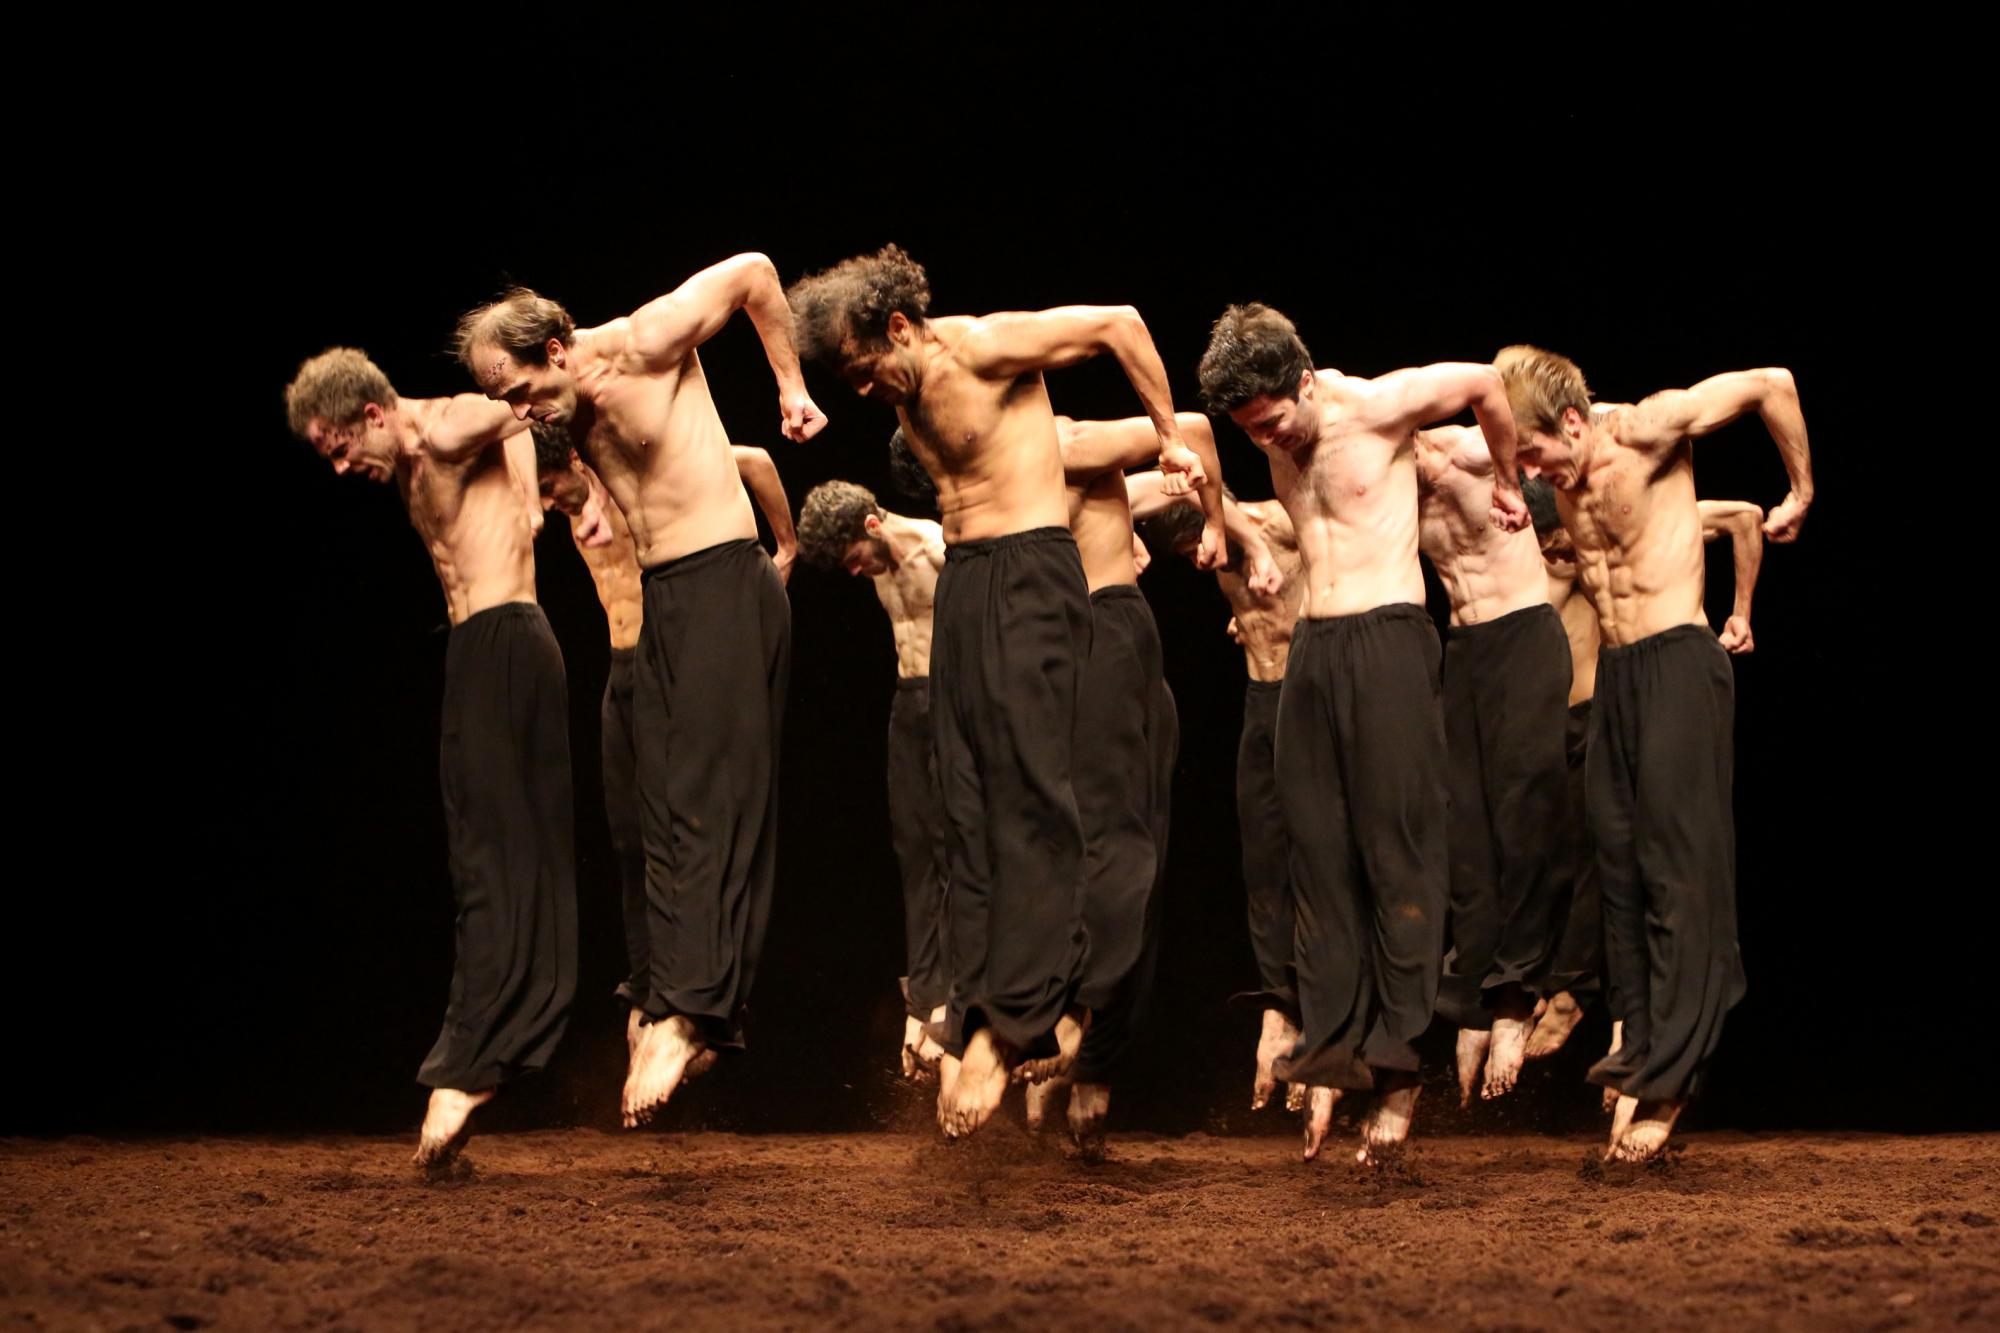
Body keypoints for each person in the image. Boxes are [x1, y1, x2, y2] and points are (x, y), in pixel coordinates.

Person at [787, 244, 1203, 1138]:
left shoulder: (980, 347)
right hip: (971, 579)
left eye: (865, 370)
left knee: (1029, 795)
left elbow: (1118, 323)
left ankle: (1021, 1022)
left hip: (1029, 571)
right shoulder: (905, 395)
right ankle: (979, 1010)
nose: (866, 392)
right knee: (964, 803)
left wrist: (1167, 432)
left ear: (899, 326)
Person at [456, 254, 825, 1127]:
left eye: (520, 388)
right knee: (655, 809)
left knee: (708, 800)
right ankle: (665, 998)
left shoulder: (646, 339)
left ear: (557, 346)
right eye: (503, 401)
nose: (521, 412)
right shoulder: (559, 412)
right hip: (667, 601)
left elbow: (756, 274)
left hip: (724, 581)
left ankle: (692, 1010)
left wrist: (790, 388)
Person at [1198, 303, 1525, 1165]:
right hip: (1314, 645)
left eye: (1270, 419)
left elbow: (1489, 382)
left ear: (1303, 382)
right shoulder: (1272, 436)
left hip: (1387, 636)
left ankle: (1398, 1064)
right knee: (1317, 856)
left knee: (1398, 855)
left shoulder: (1379, 407)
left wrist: (1511, 483)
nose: (1265, 435)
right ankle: (1334, 1054)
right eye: (1249, 429)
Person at [1496, 345, 1812, 1162]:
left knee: (1680, 868)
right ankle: (1638, 1049)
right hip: (1619, 676)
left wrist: (1800, 491)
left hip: (1678, 659)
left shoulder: (1648, 428)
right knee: (1619, 867)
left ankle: (1673, 1073)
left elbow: (1771, 382)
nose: (1528, 469)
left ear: (1571, 421)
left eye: (1532, 451)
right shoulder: (1560, 482)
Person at [284, 347, 588, 1169]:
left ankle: (468, 1069)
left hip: (509, 643)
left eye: (342, 447)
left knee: (496, 859)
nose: (343, 467)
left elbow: (525, 409)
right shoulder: (412, 458)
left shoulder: (449, 422)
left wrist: (531, 500)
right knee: (479, 859)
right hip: (477, 648)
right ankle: (477, 1055)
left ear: (373, 414)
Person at [532, 425, 797, 1058]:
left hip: (670, 666)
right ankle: (650, 982)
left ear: (575, 460)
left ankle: (699, 995)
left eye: (549, 487)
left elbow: (755, 457)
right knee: (629, 839)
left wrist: (785, 548)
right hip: (620, 671)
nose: (545, 503)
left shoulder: (631, 480)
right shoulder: (571, 507)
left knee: (685, 829)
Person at [1415, 424, 1572, 1106]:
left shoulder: (1472, 452)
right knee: (1466, 838)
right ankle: (1474, 998)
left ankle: (1517, 995)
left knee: (1526, 817)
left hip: (1524, 631)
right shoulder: (1385, 485)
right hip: (1464, 648)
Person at [793, 477, 951, 1079]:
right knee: (913, 853)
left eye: (855, 560)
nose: (857, 573)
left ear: (872, 526)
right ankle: (925, 995)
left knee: (954, 852)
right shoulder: (878, 564)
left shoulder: (940, 548)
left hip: (952, 703)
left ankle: (953, 999)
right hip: (907, 706)